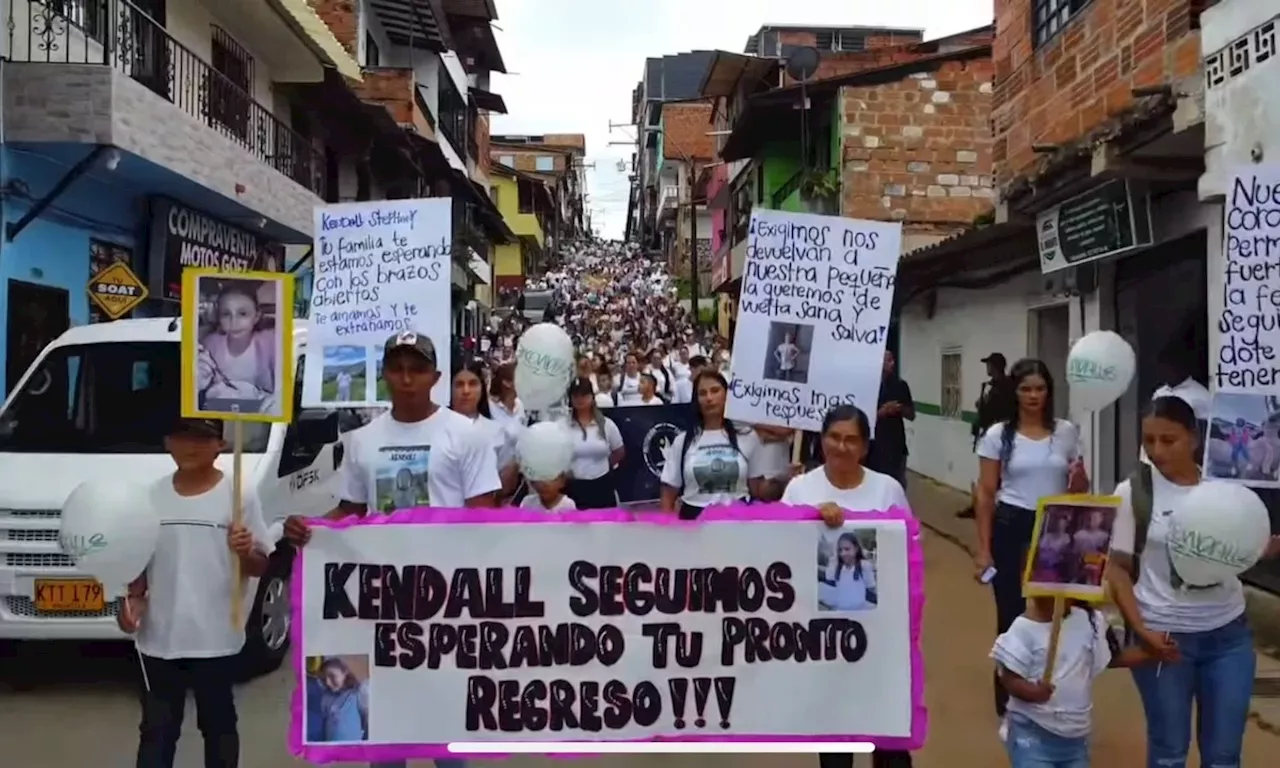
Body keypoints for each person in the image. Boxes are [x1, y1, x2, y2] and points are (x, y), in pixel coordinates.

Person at [284, 332, 495, 768]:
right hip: (378, 599)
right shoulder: (362, 441)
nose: (406, 378)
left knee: (444, 728)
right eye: (397, 369)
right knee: (383, 723)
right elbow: (350, 510)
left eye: (416, 369)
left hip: (444, 602)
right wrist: (314, 529)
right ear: (383, 376)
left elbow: (483, 517)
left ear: (435, 377)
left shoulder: (467, 435)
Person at [1106, 396, 1280, 768]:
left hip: (1229, 636)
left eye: (1168, 440)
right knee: (1169, 753)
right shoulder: (1133, 492)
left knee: (1224, 756)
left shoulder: (1228, 487)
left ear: (1194, 439)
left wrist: (1259, 547)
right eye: (1148, 440)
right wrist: (1140, 630)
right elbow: (1117, 568)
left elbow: (1238, 546)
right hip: (1162, 640)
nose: (1156, 451)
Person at [120, 416, 274, 768]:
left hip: (216, 639)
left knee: (218, 725)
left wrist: (245, 550)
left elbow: (260, 565)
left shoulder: (240, 494)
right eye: (182, 436)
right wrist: (131, 604)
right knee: (157, 731)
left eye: (202, 438)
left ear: (221, 445)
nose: (191, 446)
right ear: (166, 441)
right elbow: (139, 568)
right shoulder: (151, 496)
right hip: (159, 639)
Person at [785, 405, 911, 768]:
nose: (842, 447)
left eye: (851, 439)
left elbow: (907, 551)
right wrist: (806, 518)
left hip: (881, 638)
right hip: (823, 639)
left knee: (889, 740)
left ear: (865, 447)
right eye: (834, 437)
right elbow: (778, 553)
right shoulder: (800, 489)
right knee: (837, 742)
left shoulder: (887, 489)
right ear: (821, 440)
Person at [973, 358, 1088, 717]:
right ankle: (1008, 696)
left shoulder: (1066, 432)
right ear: (1015, 393)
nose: (1034, 395)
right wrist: (983, 549)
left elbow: (1078, 488)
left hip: (1055, 528)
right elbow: (986, 493)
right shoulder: (998, 436)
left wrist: (1080, 487)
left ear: (1049, 392)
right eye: (1026, 389)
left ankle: (1049, 687)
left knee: (1055, 614)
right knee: (1011, 614)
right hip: (1011, 526)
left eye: (1040, 388)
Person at [992, 597, 1151, 767]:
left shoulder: (1088, 621)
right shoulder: (1023, 628)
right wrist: (1031, 692)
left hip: (1076, 737)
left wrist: (1151, 654)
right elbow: (1008, 677)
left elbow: (1111, 658)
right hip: (1032, 734)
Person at [659, 370, 767, 519]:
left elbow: (758, 490)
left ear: (726, 395)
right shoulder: (682, 442)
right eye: (702, 393)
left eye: (715, 391)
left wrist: (785, 479)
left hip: (738, 522)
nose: (709, 398)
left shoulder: (747, 436)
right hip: (693, 524)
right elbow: (668, 493)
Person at [196, 283, 276, 410]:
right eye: (226, 314)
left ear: (256, 316)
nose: (234, 322)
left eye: (242, 314)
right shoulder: (209, 345)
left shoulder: (271, 344)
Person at [450, 360, 519, 500]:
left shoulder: (495, 430)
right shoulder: (439, 428)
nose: (466, 391)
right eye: (459, 385)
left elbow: (506, 482)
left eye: (473, 384)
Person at [960, 353, 1012, 519]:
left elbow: (995, 409)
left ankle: (987, 508)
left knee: (994, 475)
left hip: (998, 435)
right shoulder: (990, 385)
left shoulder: (1005, 386)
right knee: (985, 474)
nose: (987, 368)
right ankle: (978, 506)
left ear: (996, 367)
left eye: (989, 365)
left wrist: (983, 405)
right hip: (988, 433)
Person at [564, 377, 624, 509]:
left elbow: (619, 451)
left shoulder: (606, 424)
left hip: (602, 484)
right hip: (574, 485)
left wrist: (606, 466)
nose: (580, 399)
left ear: (592, 396)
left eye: (584, 395)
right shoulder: (563, 426)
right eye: (575, 395)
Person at [864, 351, 914, 486]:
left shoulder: (900, 385)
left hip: (896, 446)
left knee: (897, 485)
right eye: (888, 360)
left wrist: (899, 408)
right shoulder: (868, 386)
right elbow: (862, 417)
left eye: (893, 360)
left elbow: (911, 415)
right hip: (874, 447)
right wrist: (881, 412)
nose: (892, 364)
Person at [313, 658, 367, 743]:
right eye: (324, 678)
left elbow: (366, 722)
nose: (327, 682)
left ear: (345, 673)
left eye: (332, 676)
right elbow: (324, 724)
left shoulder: (356, 695)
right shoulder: (326, 698)